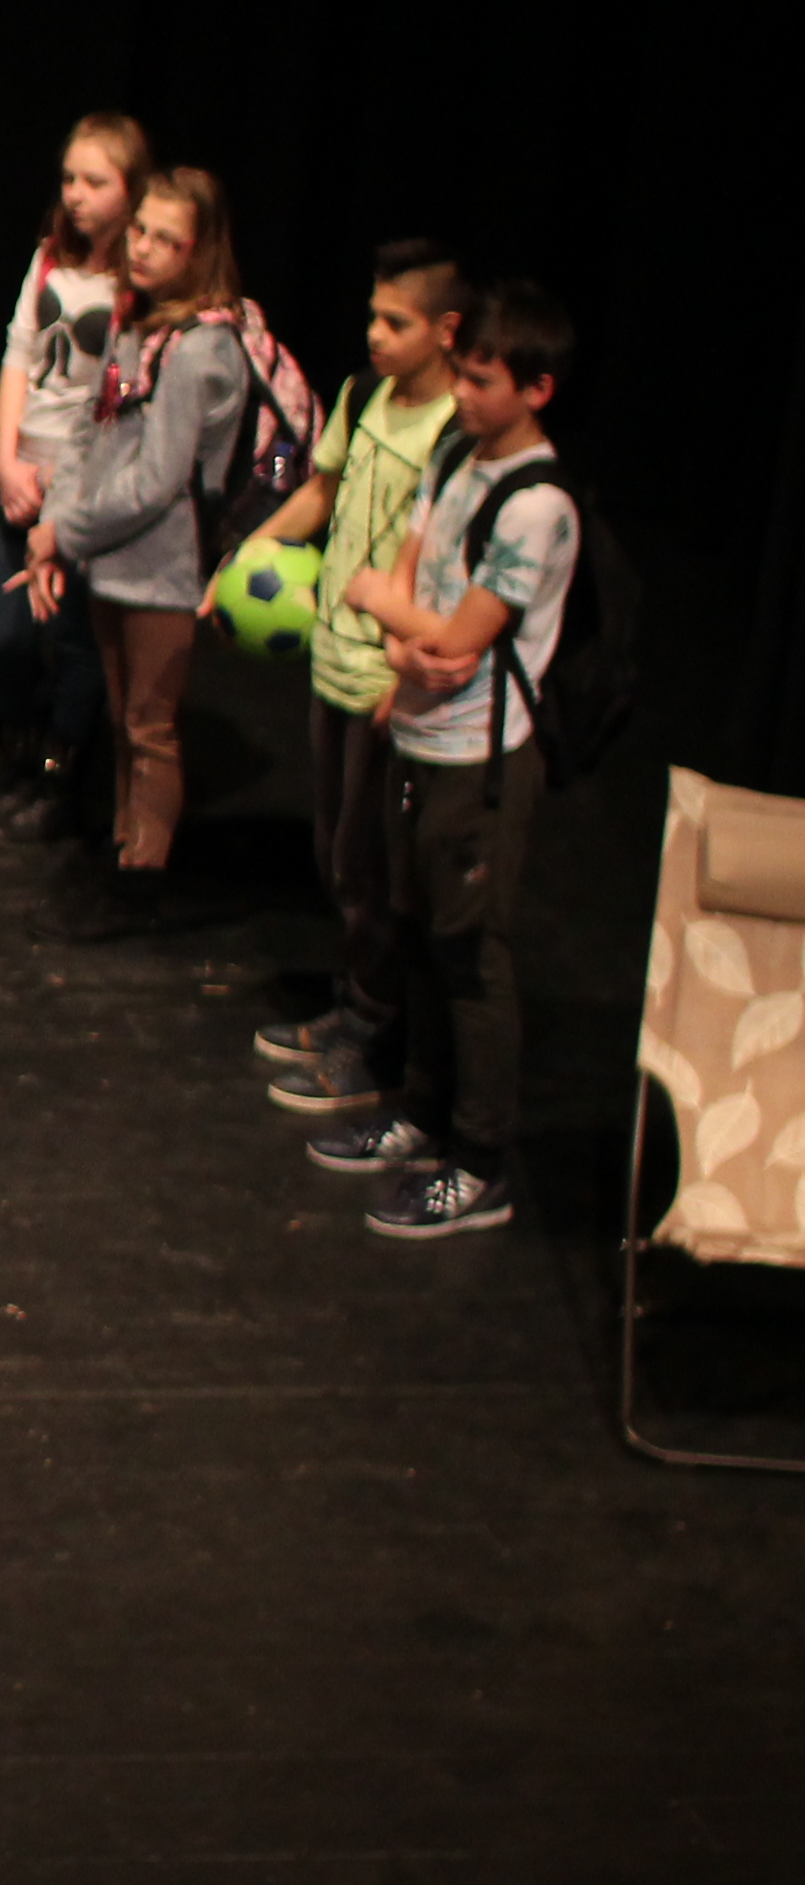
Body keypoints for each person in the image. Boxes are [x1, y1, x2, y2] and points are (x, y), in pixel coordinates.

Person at [306, 281, 586, 1239]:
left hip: (480, 761)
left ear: (536, 390)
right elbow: (416, 584)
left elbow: (457, 634)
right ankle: (421, 1113)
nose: (462, 394)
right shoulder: (457, 454)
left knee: (472, 960)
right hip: (419, 735)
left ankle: (479, 1161)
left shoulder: (538, 504)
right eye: (461, 375)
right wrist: (403, 637)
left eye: (483, 381)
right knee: (416, 932)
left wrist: (386, 609)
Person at [242, 243, 473, 1115]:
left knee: (371, 866)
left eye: (396, 322)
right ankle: (354, 1001)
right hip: (332, 661)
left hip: (385, 679)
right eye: (372, 316)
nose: (375, 334)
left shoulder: (452, 430)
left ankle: (379, 1028)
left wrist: (402, 682)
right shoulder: (363, 394)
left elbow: (444, 565)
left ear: (446, 330)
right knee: (334, 853)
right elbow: (322, 492)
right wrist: (249, 553)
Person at [14, 167, 251, 941]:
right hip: (112, 555)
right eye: (140, 230)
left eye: (164, 239)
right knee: (123, 716)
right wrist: (57, 519)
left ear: (199, 252)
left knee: (149, 724)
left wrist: (65, 533)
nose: (142, 247)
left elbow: (158, 481)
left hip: (163, 568)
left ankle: (140, 877)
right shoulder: (134, 323)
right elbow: (92, 430)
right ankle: (124, 850)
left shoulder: (201, 350)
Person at [0, 115, 153, 845]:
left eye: (95, 182)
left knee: (74, 641)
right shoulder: (51, 258)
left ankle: (58, 779)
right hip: (23, 476)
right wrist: (5, 460)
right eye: (70, 178)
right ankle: (22, 757)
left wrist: (62, 495)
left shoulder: (134, 289)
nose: (75, 194)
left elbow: (111, 408)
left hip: (79, 490)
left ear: (131, 191)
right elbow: (19, 355)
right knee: (5, 637)